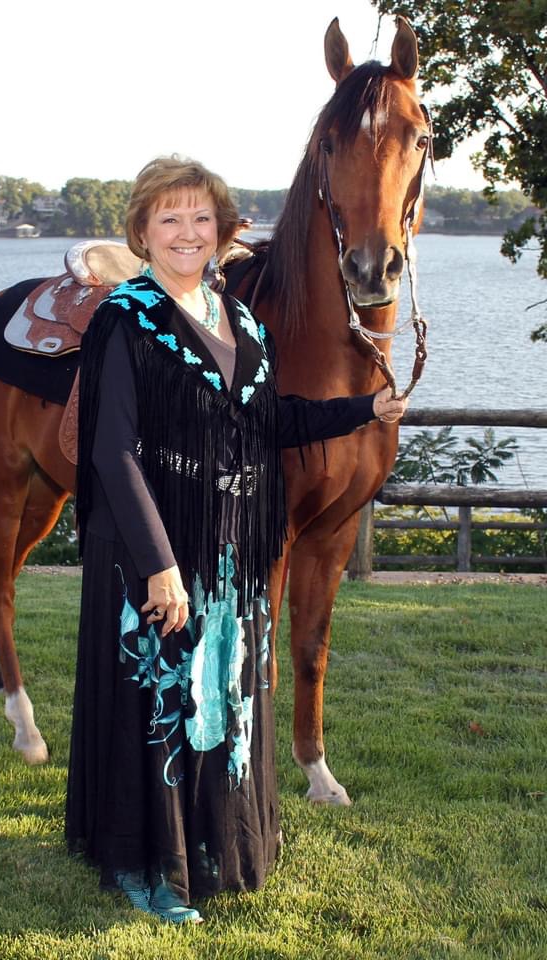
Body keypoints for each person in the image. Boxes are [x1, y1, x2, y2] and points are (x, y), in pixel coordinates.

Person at [66, 156, 407, 924]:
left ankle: (222, 846)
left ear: (222, 231)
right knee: (164, 703)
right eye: (170, 219)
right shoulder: (126, 318)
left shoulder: (242, 320)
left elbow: (270, 420)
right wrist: (158, 566)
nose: (188, 233)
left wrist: (365, 411)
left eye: (202, 218)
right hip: (158, 543)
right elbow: (113, 450)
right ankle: (150, 864)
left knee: (222, 698)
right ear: (143, 232)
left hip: (233, 549)